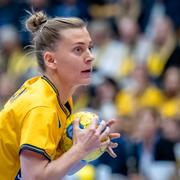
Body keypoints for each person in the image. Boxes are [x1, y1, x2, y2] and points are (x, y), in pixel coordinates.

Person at [0, 11, 120, 179]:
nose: (90, 57)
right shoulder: (41, 106)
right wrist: (80, 149)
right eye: (78, 49)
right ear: (50, 60)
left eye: (90, 48)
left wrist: (89, 149)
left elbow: (54, 168)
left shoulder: (56, 96)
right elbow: (33, 177)